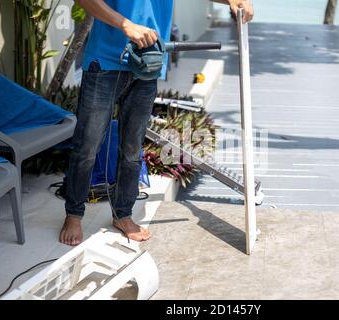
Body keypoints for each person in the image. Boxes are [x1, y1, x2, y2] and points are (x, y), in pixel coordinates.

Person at [59, 0, 254, 246]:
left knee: (132, 148)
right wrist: (126, 25)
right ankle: (74, 214)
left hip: (147, 64)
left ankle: (123, 214)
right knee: (87, 146)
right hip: (105, 63)